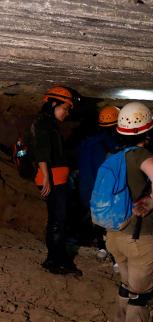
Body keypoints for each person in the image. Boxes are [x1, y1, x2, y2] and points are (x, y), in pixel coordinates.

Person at [104, 102, 153, 322]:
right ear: (147, 130)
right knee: (140, 295)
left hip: (114, 234)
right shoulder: (143, 156)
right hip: (141, 236)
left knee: (126, 283)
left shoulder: (111, 156)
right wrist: (152, 200)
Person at [28, 85, 82, 276]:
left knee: (59, 219)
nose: (66, 113)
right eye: (65, 108)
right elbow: (41, 152)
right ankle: (54, 261)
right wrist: (47, 179)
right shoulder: (42, 123)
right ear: (52, 104)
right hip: (52, 180)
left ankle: (58, 258)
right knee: (57, 221)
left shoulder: (49, 123)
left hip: (57, 179)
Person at [78, 105, 120, 259]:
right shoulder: (112, 144)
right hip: (102, 189)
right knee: (111, 221)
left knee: (95, 218)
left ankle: (101, 247)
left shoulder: (86, 142)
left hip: (85, 189)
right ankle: (113, 255)